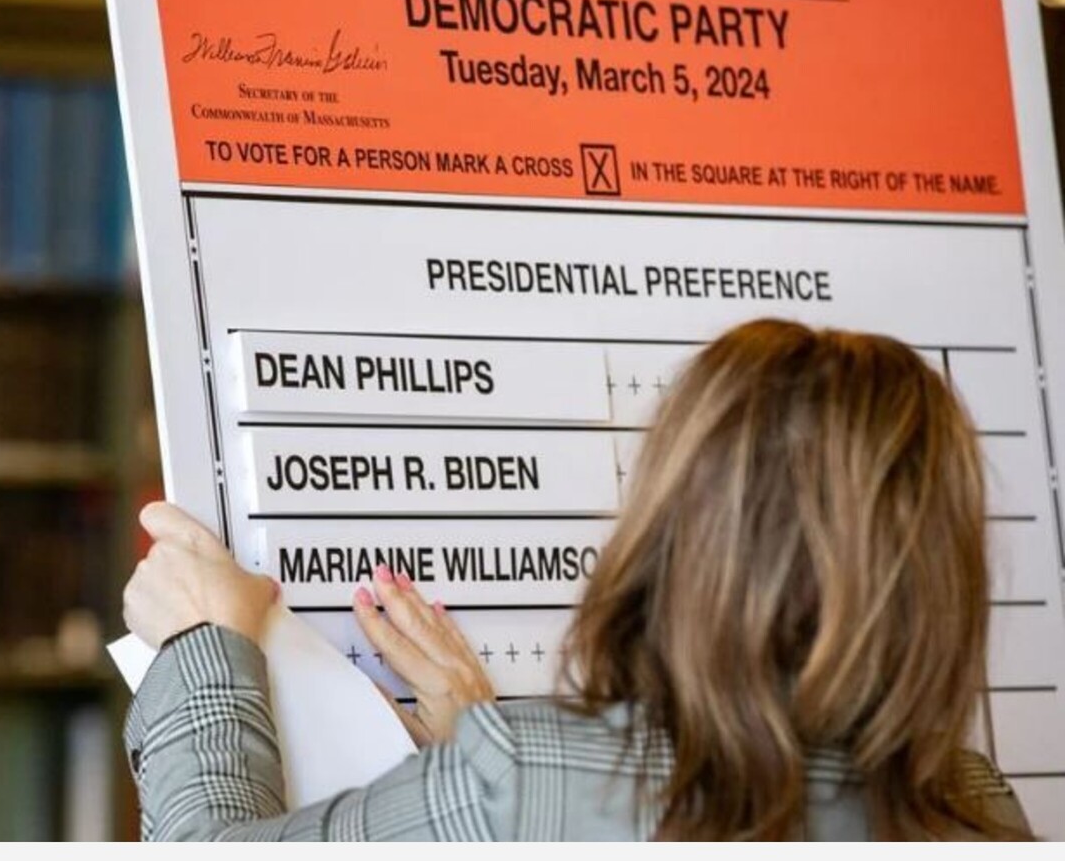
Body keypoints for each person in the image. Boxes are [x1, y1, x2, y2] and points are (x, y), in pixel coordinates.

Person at [121, 318, 1032, 840]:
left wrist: (206, 641)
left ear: (683, 535)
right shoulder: (980, 807)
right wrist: (485, 748)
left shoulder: (522, 785)